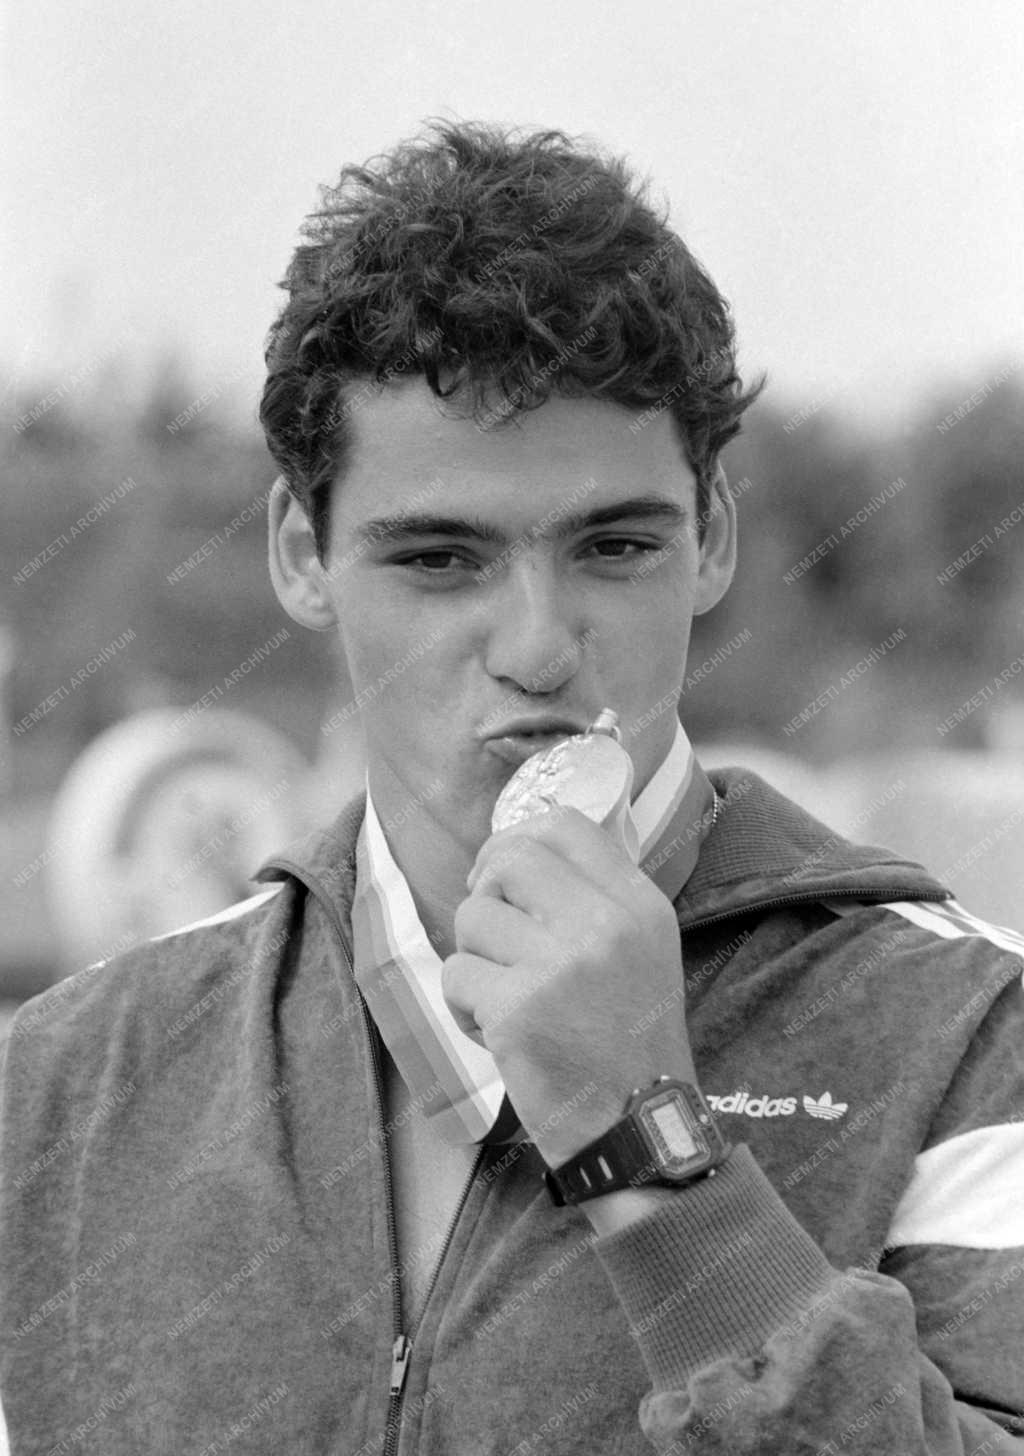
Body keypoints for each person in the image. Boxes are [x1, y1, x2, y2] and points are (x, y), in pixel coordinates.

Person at [1, 120, 1022, 1455]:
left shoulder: (971, 1034)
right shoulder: (67, 1085)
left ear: (711, 537)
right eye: (439, 559)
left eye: (615, 546)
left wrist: (644, 1145)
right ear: (302, 553)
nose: (538, 648)